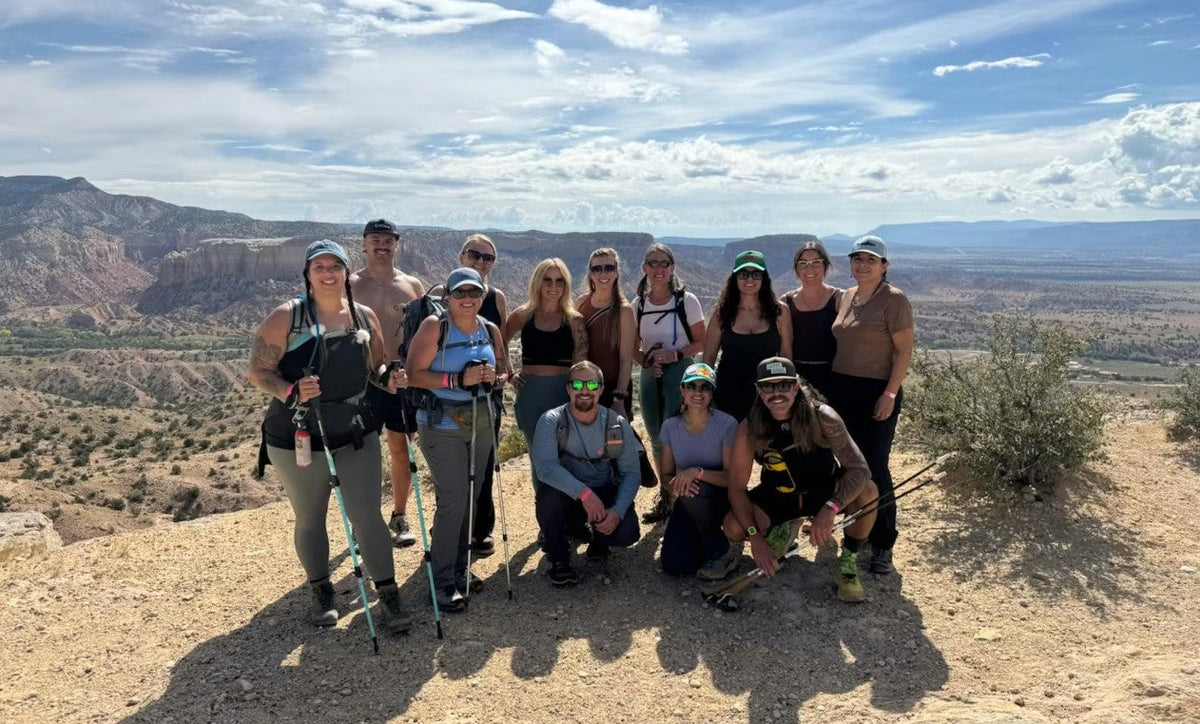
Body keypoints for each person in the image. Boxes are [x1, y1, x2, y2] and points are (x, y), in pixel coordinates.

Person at [249, 239, 412, 634]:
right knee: (310, 516)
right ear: (307, 273)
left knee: (367, 514)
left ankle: (388, 592)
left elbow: (377, 367)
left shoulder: (363, 316)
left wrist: (391, 379)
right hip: (298, 433)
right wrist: (291, 391)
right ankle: (321, 589)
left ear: (345, 271)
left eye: (334, 266)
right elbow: (259, 371)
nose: (327, 273)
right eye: (319, 266)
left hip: (354, 430)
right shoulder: (287, 317)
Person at [723, 357, 879, 603]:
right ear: (758, 390)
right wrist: (755, 537)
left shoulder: (823, 416)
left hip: (823, 494)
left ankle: (849, 559)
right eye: (768, 386)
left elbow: (860, 469)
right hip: (779, 496)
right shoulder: (749, 427)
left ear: (796, 386)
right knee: (733, 526)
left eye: (784, 385)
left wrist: (831, 508)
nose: (777, 393)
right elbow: (736, 488)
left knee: (868, 491)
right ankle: (785, 526)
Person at [406, 267, 507, 613]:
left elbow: (503, 373)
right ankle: (442, 579)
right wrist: (458, 380)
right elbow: (414, 375)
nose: (468, 299)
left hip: (481, 422)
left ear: (483, 295)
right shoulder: (436, 326)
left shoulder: (490, 329)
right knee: (454, 499)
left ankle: (460, 568)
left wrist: (494, 377)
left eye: (474, 292)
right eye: (460, 292)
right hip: (441, 422)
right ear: (447, 296)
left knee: (474, 497)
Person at [827, 235, 914, 576]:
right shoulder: (847, 296)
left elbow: (904, 351)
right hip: (842, 389)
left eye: (870, 260)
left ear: (884, 266)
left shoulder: (894, 300)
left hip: (876, 390)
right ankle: (852, 529)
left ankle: (882, 543)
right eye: (857, 259)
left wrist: (890, 394)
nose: (862, 265)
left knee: (875, 466)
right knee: (845, 463)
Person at [428, 234, 507, 558]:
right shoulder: (438, 297)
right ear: (462, 256)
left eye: (488, 258)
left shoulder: (496, 298)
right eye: (475, 254)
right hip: (446, 401)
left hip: (486, 397)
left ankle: (479, 529)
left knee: (483, 467)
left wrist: (499, 376)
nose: (481, 261)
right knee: (451, 474)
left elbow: (500, 350)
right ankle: (448, 533)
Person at [350, 218, 426, 548]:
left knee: (400, 449)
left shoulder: (413, 286)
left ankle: (398, 514)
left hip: (400, 378)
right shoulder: (350, 285)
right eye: (375, 239)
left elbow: (426, 333)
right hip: (362, 380)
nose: (382, 245)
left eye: (388, 240)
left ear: (397, 244)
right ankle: (364, 520)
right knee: (362, 455)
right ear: (364, 244)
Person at [531, 361, 641, 587]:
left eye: (591, 384)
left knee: (627, 533)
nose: (584, 390)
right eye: (578, 384)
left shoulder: (616, 424)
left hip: (605, 492)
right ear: (568, 388)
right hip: (569, 496)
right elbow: (546, 468)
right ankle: (559, 558)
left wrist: (618, 512)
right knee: (548, 499)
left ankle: (600, 541)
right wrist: (584, 494)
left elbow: (631, 473)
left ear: (601, 389)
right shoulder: (552, 421)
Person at [633, 243, 706, 524]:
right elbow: (631, 346)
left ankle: (683, 499)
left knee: (679, 435)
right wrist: (648, 362)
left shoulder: (687, 301)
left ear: (672, 268)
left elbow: (702, 340)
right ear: (645, 268)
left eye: (664, 263)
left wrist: (675, 354)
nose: (659, 269)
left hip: (681, 374)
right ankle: (666, 498)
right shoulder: (638, 304)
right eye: (653, 263)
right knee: (655, 435)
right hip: (652, 374)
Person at [504, 258, 588, 490]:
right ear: (538, 283)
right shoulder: (523, 315)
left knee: (566, 457)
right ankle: (545, 516)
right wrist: (509, 373)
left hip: (563, 394)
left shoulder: (575, 320)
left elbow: (581, 365)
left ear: (566, 285)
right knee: (538, 458)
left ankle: (567, 515)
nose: (553, 287)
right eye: (547, 280)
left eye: (559, 281)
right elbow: (499, 340)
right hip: (531, 395)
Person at [657, 363, 740, 579]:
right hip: (687, 497)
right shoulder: (670, 427)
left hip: (719, 497)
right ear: (682, 390)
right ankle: (705, 543)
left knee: (695, 487)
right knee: (674, 566)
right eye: (692, 386)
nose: (698, 392)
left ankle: (720, 551)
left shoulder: (727, 424)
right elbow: (665, 476)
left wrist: (697, 472)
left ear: (712, 393)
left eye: (705, 387)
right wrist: (678, 483)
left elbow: (732, 478)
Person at [703, 250, 791, 421]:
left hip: (768, 398)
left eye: (756, 274)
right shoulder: (722, 314)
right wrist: (708, 396)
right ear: (734, 278)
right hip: (727, 395)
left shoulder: (780, 312)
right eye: (743, 274)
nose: (750, 279)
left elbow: (786, 356)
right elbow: (708, 360)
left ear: (763, 278)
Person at [575, 247, 635, 418]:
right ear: (590, 273)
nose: (603, 273)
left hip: (612, 388)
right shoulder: (580, 303)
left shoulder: (624, 310)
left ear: (616, 273)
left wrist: (619, 399)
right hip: (583, 386)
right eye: (597, 268)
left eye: (609, 268)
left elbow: (626, 359)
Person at [781, 240, 842, 399]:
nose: (809, 269)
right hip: (797, 379)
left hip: (833, 377)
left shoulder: (839, 299)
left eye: (816, 262)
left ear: (825, 266)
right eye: (803, 263)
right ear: (796, 269)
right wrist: (792, 382)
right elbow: (785, 349)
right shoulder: (786, 302)